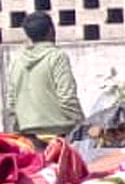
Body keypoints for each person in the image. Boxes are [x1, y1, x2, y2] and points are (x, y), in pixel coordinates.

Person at [5, 12, 83, 140]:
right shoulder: (57, 56)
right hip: (59, 133)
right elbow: (67, 98)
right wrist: (82, 123)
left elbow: (11, 102)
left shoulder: (17, 59)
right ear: (51, 30)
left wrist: (17, 131)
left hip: (28, 134)